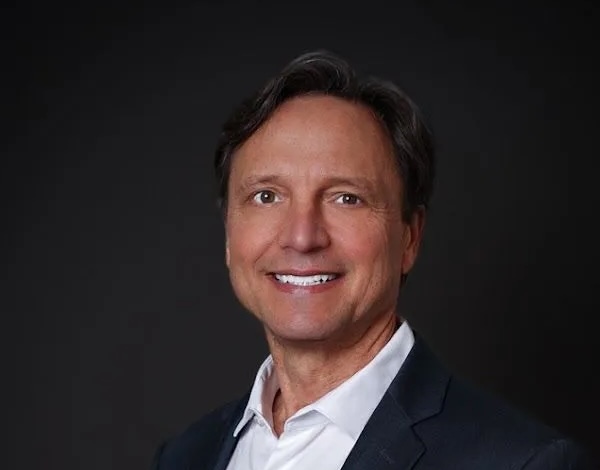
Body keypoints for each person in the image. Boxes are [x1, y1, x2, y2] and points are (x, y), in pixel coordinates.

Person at [151, 50, 597, 469]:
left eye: (347, 198)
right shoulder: (188, 455)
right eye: (266, 196)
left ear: (409, 236)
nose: (302, 237)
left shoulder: (524, 463)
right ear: (230, 233)